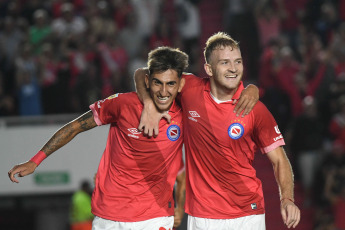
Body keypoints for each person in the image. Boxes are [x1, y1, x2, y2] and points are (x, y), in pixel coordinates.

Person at [8, 46, 189, 230]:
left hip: (154, 218)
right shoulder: (123, 104)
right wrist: (35, 161)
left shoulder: (186, 113)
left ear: (180, 85)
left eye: (171, 84)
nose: (164, 91)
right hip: (108, 217)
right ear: (147, 81)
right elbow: (75, 126)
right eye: (158, 82)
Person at [135, 32, 301, 229]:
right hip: (203, 217)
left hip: (248, 214)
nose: (233, 69)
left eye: (237, 62)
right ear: (209, 68)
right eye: (224, 63)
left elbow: (280, 160)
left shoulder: (254, 109)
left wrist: (287, 199)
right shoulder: (188, 89)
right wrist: (149, 105)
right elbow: (143, 74)